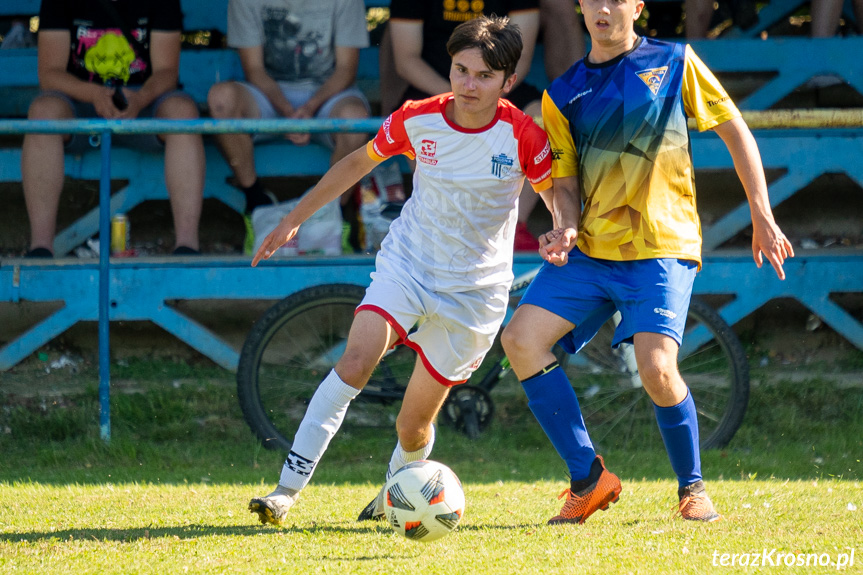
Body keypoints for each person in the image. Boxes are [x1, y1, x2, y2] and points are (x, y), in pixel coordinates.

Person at [246, 15, 553, 526]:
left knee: (412, 429)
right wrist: (293, 220)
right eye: (460, 71)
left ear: (508, 82)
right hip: (408, 266)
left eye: (483, 76)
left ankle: (395, 492)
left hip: (474, 294)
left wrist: (563, 225)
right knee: (356, 360)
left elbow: (555, 190)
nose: (468, 85)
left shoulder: (522, 134)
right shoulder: (418, 117)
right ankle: (285, 490)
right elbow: (354, 165)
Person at [500, 0, 795, 525]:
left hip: (661, 246)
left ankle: (693, 487)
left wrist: (762, 215)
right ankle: (588, 479)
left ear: (636, 6)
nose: (603, 9)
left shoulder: (676, 61)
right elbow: (563, 185)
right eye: (592, 0)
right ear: (581, 9)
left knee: (657, 369)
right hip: (591, 251)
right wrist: (565, 226)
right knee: (521, 340)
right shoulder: (560, 93)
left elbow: (734, 129)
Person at [22, 0, 204, 257]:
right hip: (80, 104)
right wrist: (95, 95)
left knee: (183, 112)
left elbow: (166, 73)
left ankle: (187, 247)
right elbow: (49, 75)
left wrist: (140, 99)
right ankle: (40, 248)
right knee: (42, 113)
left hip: (144, 104)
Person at [207, 0, 372, 254]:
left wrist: (309, 109)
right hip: (267, 97)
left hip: (329, 96)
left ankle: (333, 214)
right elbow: (254, 70)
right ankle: (256, 204)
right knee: (221, 99)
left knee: (355, 117)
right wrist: (287, 112)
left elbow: (346, 70)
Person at [381, 0, 546, 251]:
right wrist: (458, 97)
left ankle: (513, 227)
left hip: (496, 85)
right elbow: (407, 60)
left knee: (543, 118)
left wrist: (485, 96)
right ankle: (441, 225)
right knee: (423, 125)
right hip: (436, 83)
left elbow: (519, 59)